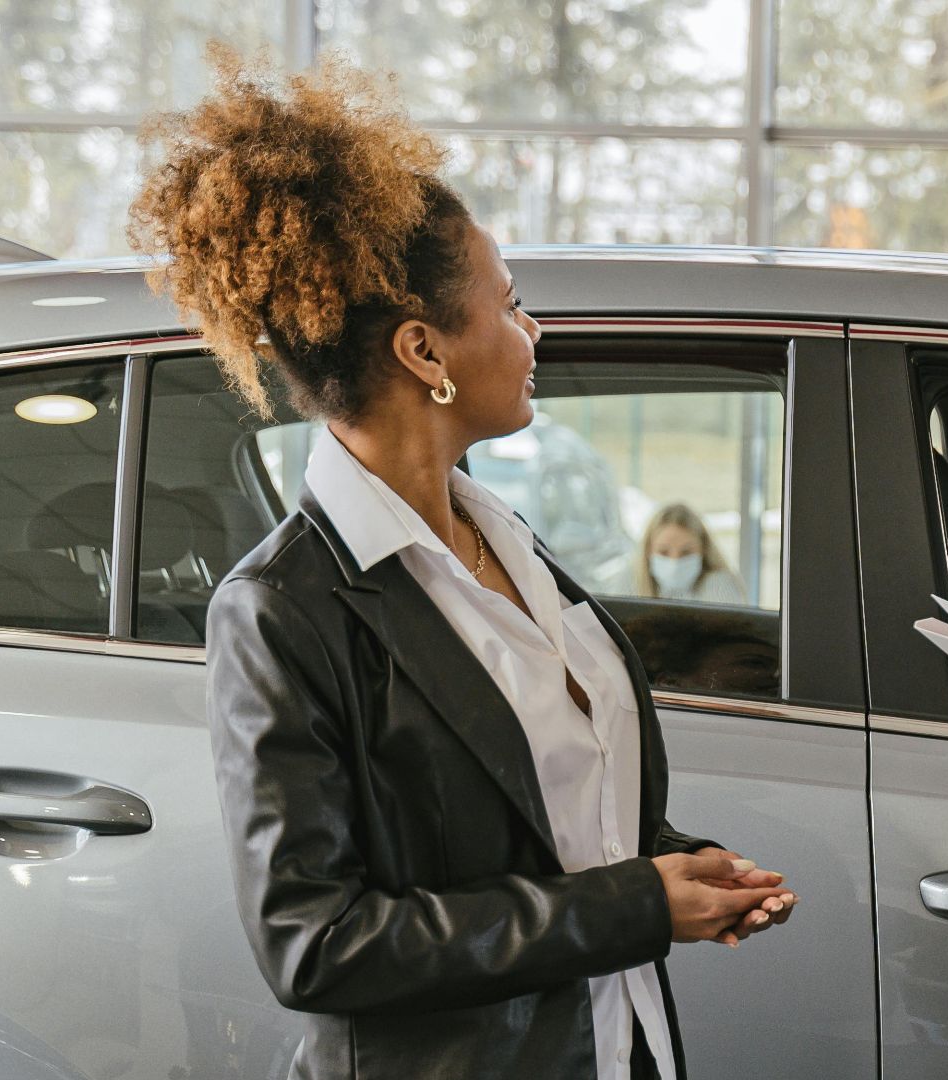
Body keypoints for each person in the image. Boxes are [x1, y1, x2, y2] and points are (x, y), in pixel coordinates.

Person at [131, 49, 796, 1080]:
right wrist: (633, 906)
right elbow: (316, 944)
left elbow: (540, 816)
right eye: (511, 303)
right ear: (424, 353)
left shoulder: (507, 537)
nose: (533, 331)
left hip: (618, 1044)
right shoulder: (281, 609)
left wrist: (674, 869)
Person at [635, 503, 748, 604]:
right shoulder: (629, 583)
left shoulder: (721, 585)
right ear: (648, 551)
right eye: (663, 552)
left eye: (686, 552)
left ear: (704, 549)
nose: (674, 562)